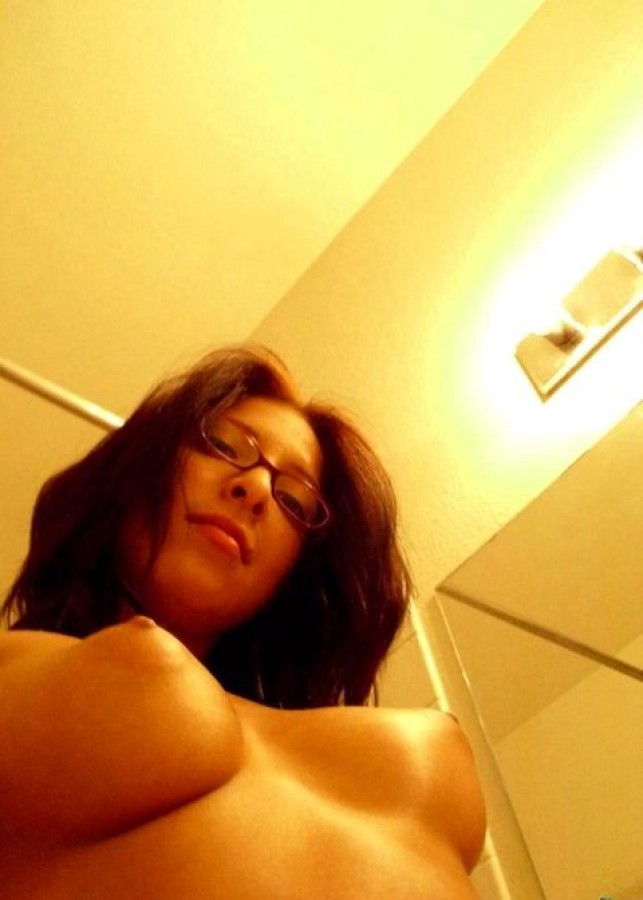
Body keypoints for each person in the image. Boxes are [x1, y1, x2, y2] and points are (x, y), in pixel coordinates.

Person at [0, 345, 486, 899]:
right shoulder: (22, 674)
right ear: (138, 467)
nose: (255, 488)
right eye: (224, 445)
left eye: (294, 502)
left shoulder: (398, 754)